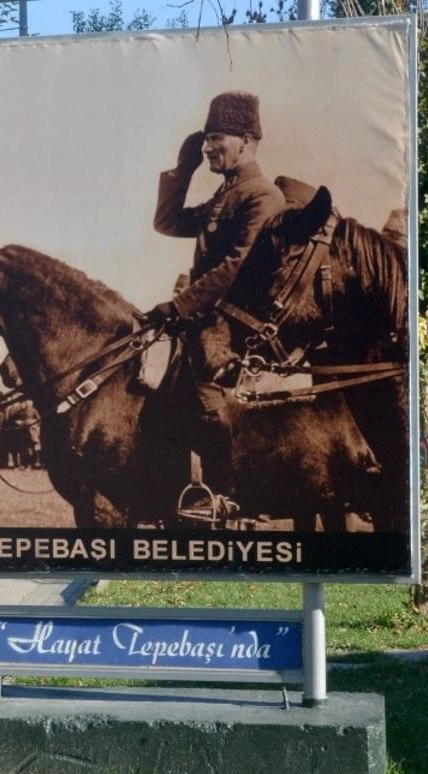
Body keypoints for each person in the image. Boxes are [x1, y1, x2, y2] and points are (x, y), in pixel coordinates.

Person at [146, 90, 286, 513]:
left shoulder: (262, 196)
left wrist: (178, 306)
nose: (207, 147)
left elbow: (234, 266)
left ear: (246, 140)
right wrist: (182, 170)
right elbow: (167, 223)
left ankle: (228, 496)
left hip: (239, 323)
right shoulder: (227, 195)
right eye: (205, 139)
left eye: (216, 137)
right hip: (207, 318)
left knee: (207, 394)